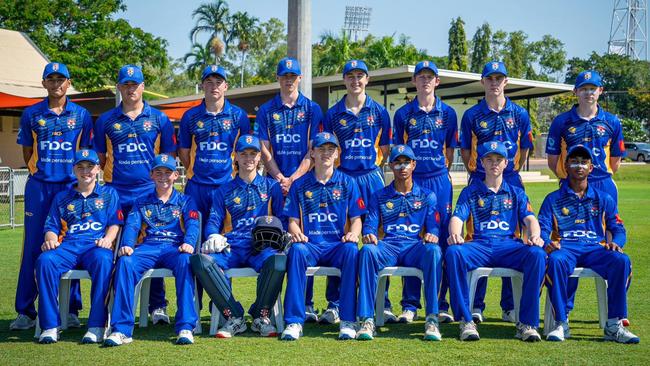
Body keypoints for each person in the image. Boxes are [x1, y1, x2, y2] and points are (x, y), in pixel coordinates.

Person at [94, 64, 177, 325]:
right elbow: (100, 157)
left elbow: (168, 157)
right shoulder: (106, 120)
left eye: (135, 84)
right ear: (119, 87)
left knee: (156, 243)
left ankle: (157, 306)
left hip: (148, 193)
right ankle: (107, 309)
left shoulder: (159, 119)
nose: (130, 89)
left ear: (143, 87)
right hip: (116, 193)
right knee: (112, 249)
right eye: (125, 84)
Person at [12, 62, 93, 330]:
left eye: (61, 79)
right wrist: (43, 172)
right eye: (51, 79)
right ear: (44, 83)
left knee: (73, 243)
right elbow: (27, 154)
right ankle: (25, 311)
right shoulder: (32, 114)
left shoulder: (81, 115)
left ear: (69, 83)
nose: (56, 84)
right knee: (34, 246)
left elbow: (85, 156)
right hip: (40, 187)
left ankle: (70, 309)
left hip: (71, 188)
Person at [545, 70, 628, 323]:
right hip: (570, 185)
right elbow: (552, 160)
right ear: (576, 92)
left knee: (610, 247)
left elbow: (616, 159)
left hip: (602, 185)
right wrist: (573, 176)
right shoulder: (562, 121)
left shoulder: (612, 121)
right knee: (568, 242)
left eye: (593, 88)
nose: (588, 92)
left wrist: (596, 175)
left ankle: (615, 314)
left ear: (600, 91)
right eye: (584, 88)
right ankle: (564, 309)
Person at [446, 141, 546, 342]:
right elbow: (457, 217)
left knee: (537, 254)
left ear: (506, 163)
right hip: (479, 244)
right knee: (453, 252)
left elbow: (530, 218)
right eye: (489, 159)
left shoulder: (516, 192)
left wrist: (535, 235)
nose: (494, 164)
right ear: (481, 162)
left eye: (499, 160)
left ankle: (527, 323)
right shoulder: (470, 191)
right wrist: (455, 234)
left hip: (508, 245)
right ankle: (466, 320)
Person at [539, 145, 639, 344]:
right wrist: (548, 243)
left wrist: (617, 244)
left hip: (595, 248)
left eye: (584, 162)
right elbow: (542, 228)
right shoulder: (553, 199)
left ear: (591, 168)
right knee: (556, 261)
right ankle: (561, 322)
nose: (579, 166)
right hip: (566, 248)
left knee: (621, 260)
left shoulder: (604, 199)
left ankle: (614, 324)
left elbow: (618, 229)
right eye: (574, 161)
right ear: (566, 166)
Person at [459, 61, 534, 323]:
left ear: (506, 81)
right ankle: (476, 305)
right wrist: (477, 171)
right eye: (489, 78)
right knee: (477, 237)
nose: (494, 83)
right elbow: (466, 150)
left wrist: (511, 168)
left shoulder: (519, 113)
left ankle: (509, 305)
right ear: (482, 82)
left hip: (510, 178)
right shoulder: (472, 115)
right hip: (479, 179)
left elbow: (524, 147)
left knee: (511, 237)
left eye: (499, 78)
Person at [322, 59, 394, 323]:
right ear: (344, 81)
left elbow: (385, 151)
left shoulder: (380, 112)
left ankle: (381, 302)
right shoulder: (332, 114)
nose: (355, 81)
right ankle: (335, 302)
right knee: (340, 237)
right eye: (350, 76)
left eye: (360, 76)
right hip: (343, 179)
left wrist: (372, 170)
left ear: (368, 79)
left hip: (371, 179)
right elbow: (328, 149)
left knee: (376, 238)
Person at [255, 58, 325, 322]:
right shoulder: (266, 109)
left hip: (302, 184)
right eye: (284, 76)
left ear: (299, 78)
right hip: (274, 184)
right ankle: (267, 307)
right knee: (271, 243)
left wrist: (294, 178)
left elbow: (313, 149)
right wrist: (280, 177)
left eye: (293, 76)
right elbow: (263, 149)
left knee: (301, 242)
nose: (288, 80)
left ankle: (305, 304)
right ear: (278, 78)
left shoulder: (312, 108)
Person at [104, 154, 200, 346]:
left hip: (174, 248)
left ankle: (186, 327)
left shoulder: (186, 200)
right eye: (159, 172)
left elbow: (193, 224)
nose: (163, 177)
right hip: (148, 247)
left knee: (186, 261)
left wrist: (189, 242)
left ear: (175, 175)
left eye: (168, 172)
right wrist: (127, 245)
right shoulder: (141, 202)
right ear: (152, 175)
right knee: (125, 262)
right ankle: (121, 329)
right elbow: (131, 225)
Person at [198, 134, 285, 338]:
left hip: (262, 246)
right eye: (243, 154)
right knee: (202, 262)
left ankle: (260, 315)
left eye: (253, 154)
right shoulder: (224, 190)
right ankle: (234, 316)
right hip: (233, 245)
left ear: (259, 158)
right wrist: (212, 235)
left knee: (278, 262)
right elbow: (213, 221)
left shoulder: (271, 187)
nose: (248, 158)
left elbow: (281, 217)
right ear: (235, 157)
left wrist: (284, 234)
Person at [280, 132, 365, 341]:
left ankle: (347, 320)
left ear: (337, 154)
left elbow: (356, 219)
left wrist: (354, 234)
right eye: (321, 149)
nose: (326, 153)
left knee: (352, 250)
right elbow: (292, 221)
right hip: (310, 245)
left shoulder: (348, 183)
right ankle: (294, 321)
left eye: (331, 149)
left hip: (337, 245)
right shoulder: (299, 185)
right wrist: (296, 233)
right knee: (296, 251)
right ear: (312, 153)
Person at [393, 60, 458, 323]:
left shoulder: (449, 113)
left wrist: (438, 170)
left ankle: (440, 302)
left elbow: (450, 152)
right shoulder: (403, 114)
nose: (425, 81)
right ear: (414, 82)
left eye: (430, 77)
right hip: (413, 182)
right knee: (410, 237)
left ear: (437, 82)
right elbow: (399, 153)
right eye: (421, 77)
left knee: (439, 239)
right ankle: (410, 304)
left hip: (439, 181)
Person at [356, 145, 443, 341]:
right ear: (390, 166)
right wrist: (368, 234)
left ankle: (432, 319)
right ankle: (367, 319)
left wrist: (432, 235)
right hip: (389, 246)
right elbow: (369, 224)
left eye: (406, 162)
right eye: (397, 163)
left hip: (414, 246)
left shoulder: (427, 196)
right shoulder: (379, 196)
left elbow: (433, 227)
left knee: (434, 251)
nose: (402, 167)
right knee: (367, 251)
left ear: (414, 165)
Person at [36, 149, 122, 344]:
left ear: (98, 169)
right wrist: (50, 239)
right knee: (45, 261)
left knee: (103, 259)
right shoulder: (62, 197)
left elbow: (115, 223)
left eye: (90, 167)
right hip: (69, 246)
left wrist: (108, 239)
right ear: (73, 169)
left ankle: (96, 326)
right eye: (80, 167)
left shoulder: (109, 194)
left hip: (95, 246)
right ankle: (50, 325)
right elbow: (51, 226)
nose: (86, 172)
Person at [179, 65, 251, 235]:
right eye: (209, 82)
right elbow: (183, 150)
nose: (214, 86)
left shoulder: (239, 116)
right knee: (193, 235)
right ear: (202, 86)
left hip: (227, 184)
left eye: (218, 82)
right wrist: (195, 171)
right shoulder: (190, 116)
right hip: (196, 186)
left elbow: (246, 151)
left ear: (226, 86)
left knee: (224, 236)